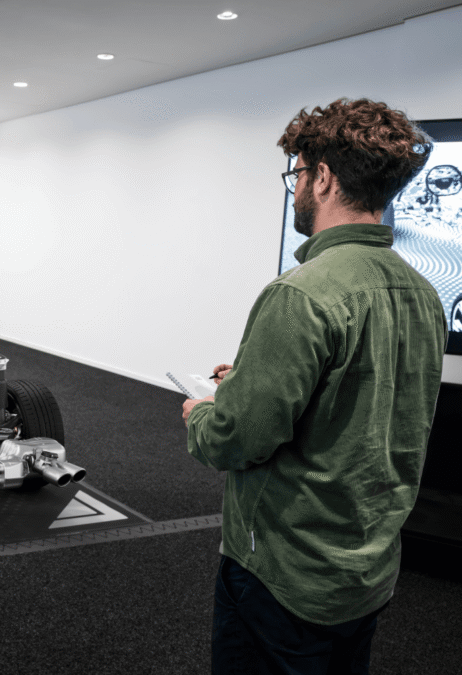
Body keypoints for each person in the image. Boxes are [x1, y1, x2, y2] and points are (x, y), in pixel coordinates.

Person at [181, 98, 448, 675]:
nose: (296, 188)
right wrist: (248, 380)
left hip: (283, 573)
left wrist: (202, 412)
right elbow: (364, 399)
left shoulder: (300, 294)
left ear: (322, 177)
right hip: (366, 571)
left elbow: (235, 439)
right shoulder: (425, 294)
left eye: (297, 174)